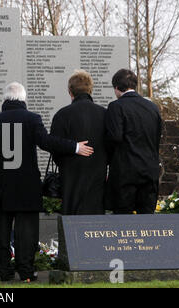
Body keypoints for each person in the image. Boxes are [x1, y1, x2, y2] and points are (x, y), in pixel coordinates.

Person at [0, 82, 94, 282]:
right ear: (23, 99)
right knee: (27, 233)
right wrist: (74, 146)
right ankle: (26, 272)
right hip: (26, 186)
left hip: (1, 186)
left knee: (0, 231)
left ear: (5, 99)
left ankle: (3, 270)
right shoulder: (32, 119)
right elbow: (47, 142)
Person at [51, 70, 108, 215]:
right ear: (90, 90)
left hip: (70, 176)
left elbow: (54, 147)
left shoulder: (62, 114)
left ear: (70, 92)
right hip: (97, 175)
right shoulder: (105, 114)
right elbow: (112, 144)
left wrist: (66, 163)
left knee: (72, 224)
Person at [105, 69, 162, 214]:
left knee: (123, 221)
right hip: (150, 171)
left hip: (125, 173)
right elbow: (157, 138)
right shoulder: (152, 108)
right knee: (146, 221)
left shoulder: (116, 106)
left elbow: (115, 137)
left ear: (117, 87)